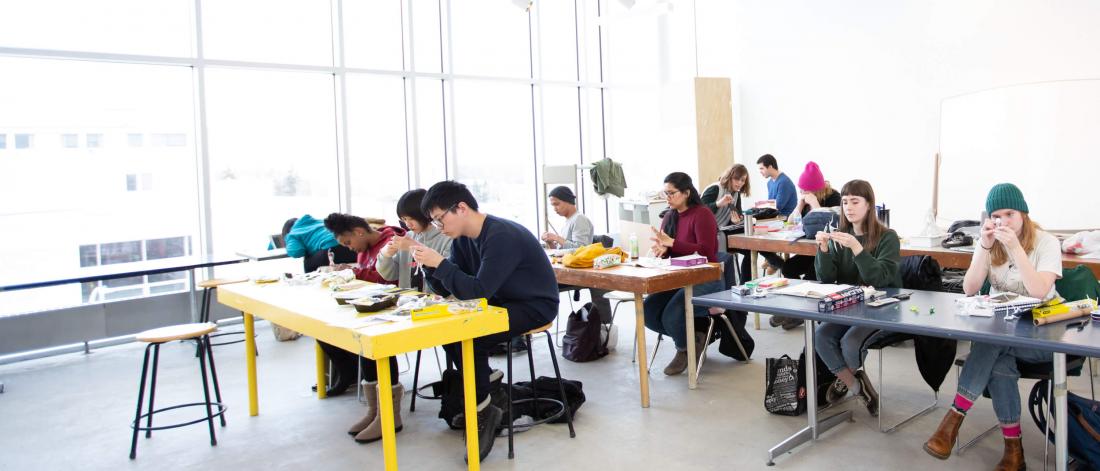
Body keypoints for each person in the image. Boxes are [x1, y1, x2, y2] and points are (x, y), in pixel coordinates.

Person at [410, 180, 559, 461]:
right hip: (500, 304)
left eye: (440, 219)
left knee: (472, 338)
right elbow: (456, 289)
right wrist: (429, 268)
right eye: (435, 221)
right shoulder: (463, 240)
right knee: (449, 334)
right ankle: (491, 392)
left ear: (462, 208)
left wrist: (441, 264)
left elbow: (478, 291)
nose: (439, 227)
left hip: (534, 305)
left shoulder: (501, 235)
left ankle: (483, 410)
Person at [923, 183, 1061, 471]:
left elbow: (1038, 290)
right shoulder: (992, 242)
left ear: (1023, 212)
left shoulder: (1046, 242)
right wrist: (984, 247)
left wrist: (1015, 249)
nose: (1004, 222)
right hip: (1005, 332)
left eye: (1010, 214)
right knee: (999, 364)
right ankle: (1014, 452)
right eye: (997, 216)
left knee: (990, 341)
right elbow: (970, 288)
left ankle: (954, 418)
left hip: (1044, 336)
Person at [345, 190, 454, 445]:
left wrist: (414, 247)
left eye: (409, 219)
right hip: (408, 305)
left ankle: (387, 415)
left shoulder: (444, 238)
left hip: (437, 308)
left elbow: (447, 276)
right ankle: (378, 411)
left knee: (381, 340)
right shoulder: (410, 237)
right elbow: (388, 273)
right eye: (403, 220)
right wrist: (388, 253)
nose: (406, 225)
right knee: (369, 337)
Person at [812, 179, 901, 417]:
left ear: (869, 205)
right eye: (844, 202)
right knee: (820, 335)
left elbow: (880, 279)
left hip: (882, 308)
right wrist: (822, 250)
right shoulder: (842, 236)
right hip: (850, 306)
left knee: (850, 342)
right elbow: (827, 279)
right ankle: (855, 385)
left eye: (855, 201)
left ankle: (845, 379)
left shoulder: (887, 237)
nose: (848, 207)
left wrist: (857, 248)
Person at [314, 214, 404, 405]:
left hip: (392, 307)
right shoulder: (363, 250)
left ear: (359, 232)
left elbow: (393, 280)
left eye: (348, 242)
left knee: (367, 335)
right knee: (324, 325)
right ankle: (352, 376)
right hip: (370, 305)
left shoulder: (391, 242)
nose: (349, 248)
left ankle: (382, 403)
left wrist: (355, 272)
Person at [644, 172, 723, 375]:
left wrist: (673, 243)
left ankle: (684, 348)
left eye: (671, 193)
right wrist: (663, 250)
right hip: (677, 276)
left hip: (706, 277)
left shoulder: (702, 214)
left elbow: (707, 251)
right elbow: (669, 250)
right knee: (648, 311)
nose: (667, 197)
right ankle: (691, 338)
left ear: (686, 193)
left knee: (672, 314)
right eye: (665, 193)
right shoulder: (669, 216)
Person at [771, 161, 842, 330]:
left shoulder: (835, 197)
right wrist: (800, 205)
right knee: (789, 268)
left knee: (813, 275)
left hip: (828, 251)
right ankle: (793, 309)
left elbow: (832, 224)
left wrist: (815, 205)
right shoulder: (803, 199)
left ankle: (801, 313)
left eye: (806, 190)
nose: (803, 193)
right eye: (801, 190)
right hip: (808, 249)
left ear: (817, 189)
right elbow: (792, 224)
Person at [540, 185, 614, 324]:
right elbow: (566, 248)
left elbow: (581, 249)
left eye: (557, 204)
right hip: (569, 267)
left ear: (567, 201)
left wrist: (557, 238)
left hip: (579, 271)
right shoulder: (569, 221)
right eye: (552, 205)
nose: (555, 208)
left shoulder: (579, 219)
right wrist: (552, 244)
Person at [701, 164, 752, 282]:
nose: (739, 183)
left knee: (751, 249)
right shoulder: (714, 189)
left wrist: (736, 220)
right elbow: (699, 212)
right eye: (736, 179)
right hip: (708, 234)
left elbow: (736, 214)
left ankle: (745, 284)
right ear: (729, 177)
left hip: (724, 231)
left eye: (743, 180)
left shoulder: (736, 193)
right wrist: (718, 204)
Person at [756, 154, 797, 275]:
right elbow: (770, 206)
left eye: (762, 168)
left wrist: (761, 207)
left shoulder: (784, 182)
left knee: (758, 236)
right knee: (755, 235)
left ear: (770, 166)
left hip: (785, 220)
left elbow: (777, 206)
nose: (760, 172)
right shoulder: (770, 183)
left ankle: (776, 262)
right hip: (775, 218)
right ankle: (774, 260)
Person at [278, 215, 357, 273]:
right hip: (352, 247)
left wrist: (288, 242)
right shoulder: (317, 222)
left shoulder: (292, 234)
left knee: (307, 261)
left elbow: (296, 251)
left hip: (332, 251)